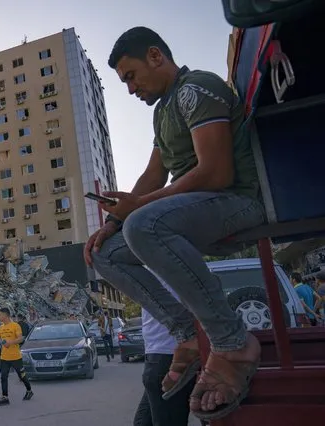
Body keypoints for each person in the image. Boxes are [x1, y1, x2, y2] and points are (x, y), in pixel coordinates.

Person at [85, 27, 265, 421]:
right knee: (106, 252)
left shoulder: (195, 88)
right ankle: (185, 332)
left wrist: (137, 209)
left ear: (155, 56)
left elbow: (216, 172)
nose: (131, 89)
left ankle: (232, 341)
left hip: (237, 203)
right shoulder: (163, 112)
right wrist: (112, 223)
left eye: (131, 76)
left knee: (144, 224)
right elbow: (154, 175)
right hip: (194, 212)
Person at [134, 284, 195, 426]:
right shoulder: (162, 270)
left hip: (167, 356)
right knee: (143, 422)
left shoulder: (163, 269)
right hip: (159, 357)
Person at [0, 307, 33, 406]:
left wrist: (10, 342)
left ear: (5, 315)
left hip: (16, 357)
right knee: (3, 377)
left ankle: (29, 390)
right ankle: (5, 397)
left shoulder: (15, 326)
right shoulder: (0, 327)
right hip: (4, 357)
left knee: (22, 376)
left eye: (0, 315)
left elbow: (21, 338)